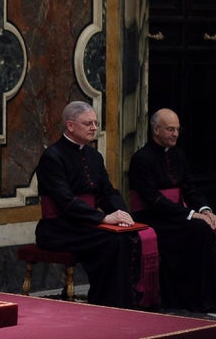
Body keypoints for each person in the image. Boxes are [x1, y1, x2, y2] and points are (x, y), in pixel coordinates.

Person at [35, 101, 143, 309]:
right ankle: (105, 304)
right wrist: (103, 218)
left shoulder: (94, 156)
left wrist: (122, 213)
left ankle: (123, 303)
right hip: (59, 227)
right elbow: (65, 201)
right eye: (88, 123)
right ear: (70, 125)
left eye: (96, 123)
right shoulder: (52, 157)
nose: (94, 127)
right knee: (111, 242)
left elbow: (107, 192)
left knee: (127, 237)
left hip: (85, 225)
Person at [128, 108, 216, 312]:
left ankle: (214, 297)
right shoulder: (141, 159)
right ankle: (196, 299)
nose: (175, 134)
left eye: (177, 129)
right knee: (200, 230)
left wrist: (204, 210)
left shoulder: (179, 154)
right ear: (156, 130)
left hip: (176, 216)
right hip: (153, 217)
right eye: (170, 129)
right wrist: (189, 214)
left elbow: (190, 188)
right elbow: (154, 199)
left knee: (209, 227)